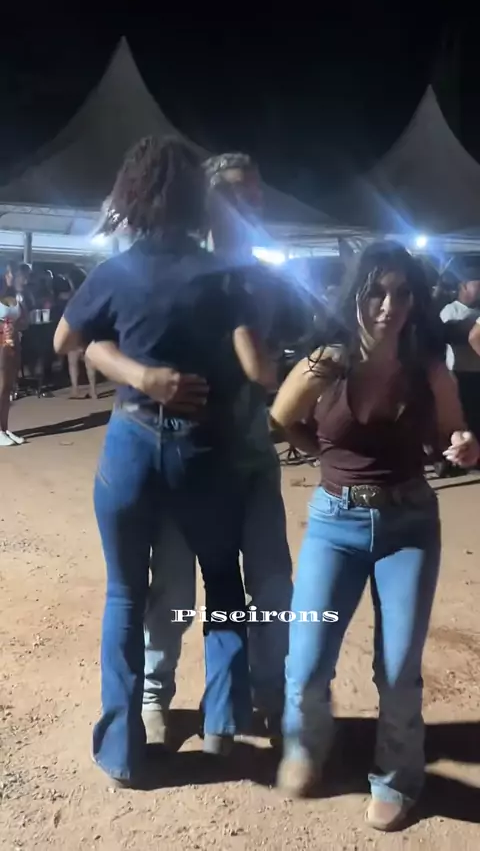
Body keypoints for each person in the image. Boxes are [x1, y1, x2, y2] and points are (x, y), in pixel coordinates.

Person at [54, 136, 271, 786]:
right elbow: (258, 368)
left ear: (133, 194)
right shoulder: (221, 275)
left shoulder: (116, 272)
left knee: (125, 593)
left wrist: (141, 375)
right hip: (203, 451)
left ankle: (122, 750)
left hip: (131, 442)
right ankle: (222, 723)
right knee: (223, 582)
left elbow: (68, 339)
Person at [269, 242, 479, 832]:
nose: (389, 306)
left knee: (398, 668)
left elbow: (454, 432)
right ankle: (308, 744)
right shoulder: (326, 362)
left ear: (416, 300)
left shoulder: (427, 367)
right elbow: (281, 418)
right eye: (377, 292)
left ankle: (396, 777)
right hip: (334, 524)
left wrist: (464, 445)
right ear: (356, 295)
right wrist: (326, 460)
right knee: (306, 659)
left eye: (402, 293)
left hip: (408, 524)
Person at [440, 261, 480, 442]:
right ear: (464, 285)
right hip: (458, 374)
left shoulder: (478, 313)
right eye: (478, 285)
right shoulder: (450, 312)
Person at [0, 272, 28, 445]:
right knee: (1, 386)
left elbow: (25, 322)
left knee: (8, 388)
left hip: (14, 343)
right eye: (8, 273)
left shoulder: (16, 297)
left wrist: (15, 326)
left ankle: (4, 428)